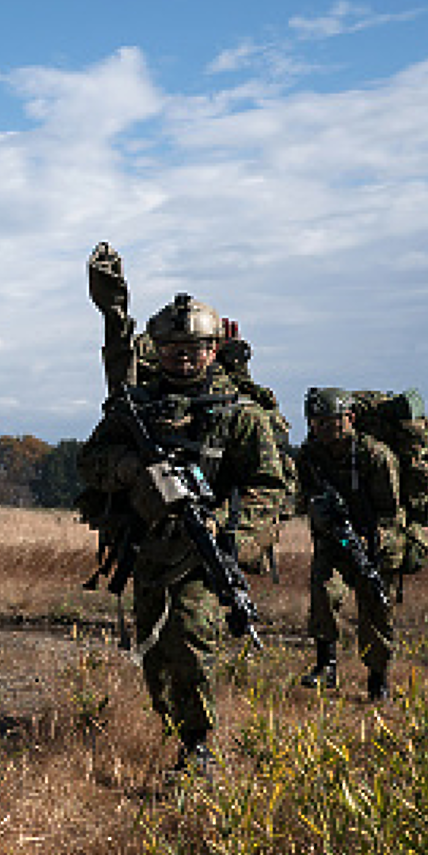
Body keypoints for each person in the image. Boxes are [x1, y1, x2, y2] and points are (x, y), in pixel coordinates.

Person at [76, 291, 289, 772]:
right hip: (148, 546)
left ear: (214, 349)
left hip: (204, 548)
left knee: (194, 641)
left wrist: (232, 536)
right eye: (172, 348)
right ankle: (177, 728)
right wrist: (133, 469)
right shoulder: (135, 407)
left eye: (195, 347)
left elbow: (268, 486)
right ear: (157, 350)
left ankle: (198, 747)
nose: (184, 356)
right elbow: (90, 462)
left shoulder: (240, 414)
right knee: (154, 651)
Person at [296, 388, 404, 700]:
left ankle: (377, 679)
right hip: (333, 539)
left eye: (331, 422)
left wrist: (371, 544)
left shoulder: (376, 456)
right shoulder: (309, 455)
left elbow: (390, 514)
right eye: (317, 423)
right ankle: (325, 664)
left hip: (373, 544)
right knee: (324, 592)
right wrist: (319, 511)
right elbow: (302, 498)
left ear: (350, 419)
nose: (324, 429)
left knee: (375, 610)